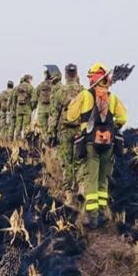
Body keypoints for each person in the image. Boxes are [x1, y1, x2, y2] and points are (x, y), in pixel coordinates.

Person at [66, 63, 127, 227]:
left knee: (91, 179)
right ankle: (103, 213)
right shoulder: (112, 98)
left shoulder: (85, 95)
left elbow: (70, 116)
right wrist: (112, 127)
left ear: (93, 79)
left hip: (90, 143)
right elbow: (123, 118)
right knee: (103, 179)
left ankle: (92, 217)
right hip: (109, 144)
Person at [49, 64, 84, 205]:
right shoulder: (83, 91)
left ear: (65, 75)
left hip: (64, 131)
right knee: (79, 161)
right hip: (80, 130)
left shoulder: (60, 92)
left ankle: (69, 196)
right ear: (76, 74)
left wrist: (51, 133)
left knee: (67, 163)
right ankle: (81, 187)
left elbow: (54, 115)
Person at [35, 67, 60, 144]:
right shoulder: (54, 85)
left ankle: (44, 143)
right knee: (52, 126)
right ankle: (52, 141)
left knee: (43, 128)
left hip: (42, 109)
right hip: (51, 109)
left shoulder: (41, 85)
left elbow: (36, 95)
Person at [12, 74, 34, 141]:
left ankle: (17, 139)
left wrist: (14, 107)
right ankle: (25, 139)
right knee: (26, 125)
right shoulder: (30, 87)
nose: (31, 80)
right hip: (27, 108)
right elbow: (33, 99)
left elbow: (14, 98)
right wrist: (32, 107)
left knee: (18, 124)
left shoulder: (18, 87)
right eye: (30, 79)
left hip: (19, 108)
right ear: (28, 79)